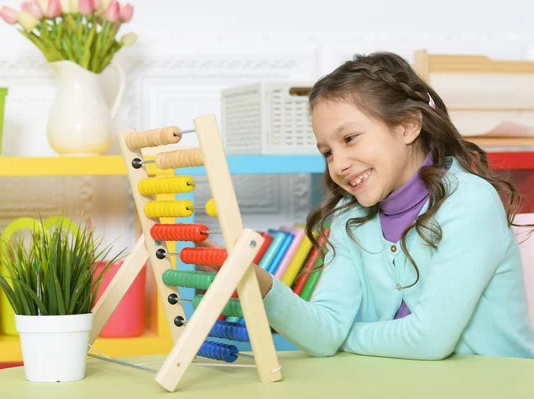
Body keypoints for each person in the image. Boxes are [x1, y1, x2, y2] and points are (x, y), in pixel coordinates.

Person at [202, 51, 534, 360]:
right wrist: (260, 284)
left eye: (349, 139)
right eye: (327, 152)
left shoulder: (469, 203)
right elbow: (324, 330)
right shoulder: (351, 218)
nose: (339, 164)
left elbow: (429, 340)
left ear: (407, 125)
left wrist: (341, 338)